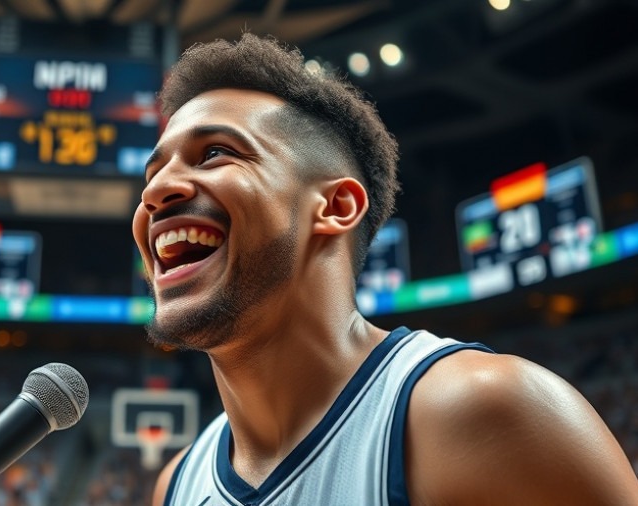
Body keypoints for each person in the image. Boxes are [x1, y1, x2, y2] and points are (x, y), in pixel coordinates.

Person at [131, 32, 638, 505]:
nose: (154, 192)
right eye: (153, 173)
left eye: (215, 153)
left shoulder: (489, 412)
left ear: (335, 207)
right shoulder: (175, 484)